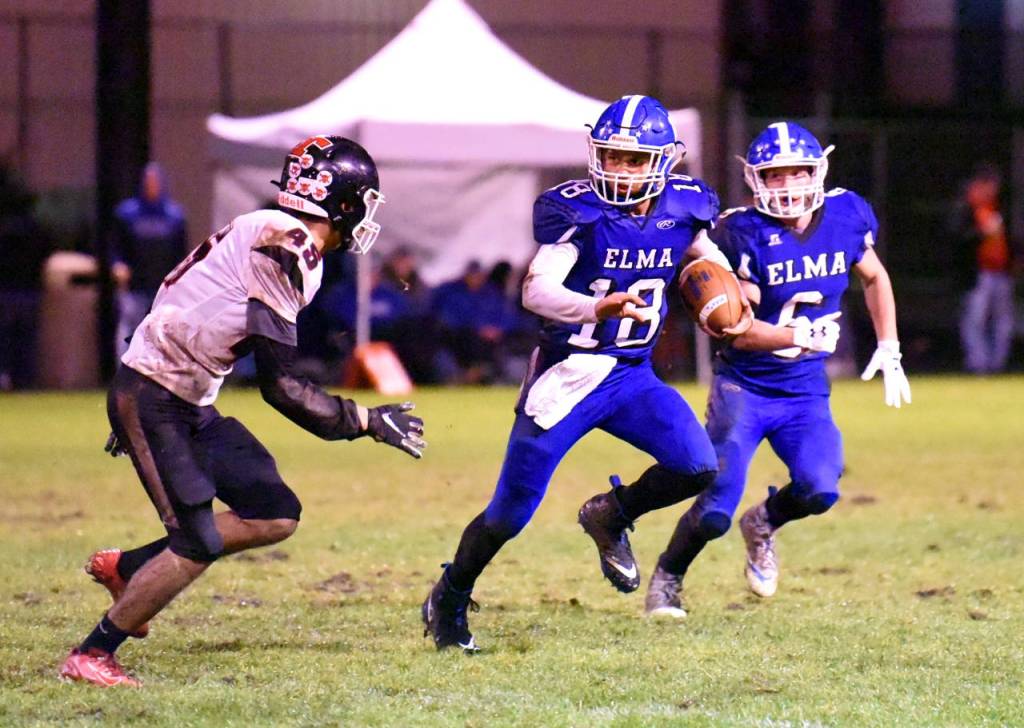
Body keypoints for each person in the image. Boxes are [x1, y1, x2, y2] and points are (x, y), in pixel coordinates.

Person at [59, 136, 426, 687]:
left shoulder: (275, 232)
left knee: (274, 511)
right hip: (159, 396)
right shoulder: (288, 245)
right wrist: (365, 421)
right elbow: (280, 387)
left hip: (186, 395)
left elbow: (182, 297)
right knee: (197, 541)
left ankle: (128, 567)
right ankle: (92, 654)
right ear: (344, 203)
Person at [421, 95, 751, 651]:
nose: (619, 170)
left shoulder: (685, 204)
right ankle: (449, 595)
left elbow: (704, 254)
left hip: (630, 375)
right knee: (509, 514)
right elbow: (536, 289)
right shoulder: (578, 212)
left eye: (632, 159)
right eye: (611, 156)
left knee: (696, 465)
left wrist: (721, 291)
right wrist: (593, 307)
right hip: (567, 375)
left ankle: (611, 514)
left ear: (663, 161)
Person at [643, 121, 911, 618]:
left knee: (820, 487)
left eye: (798, 173)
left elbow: (874, 276)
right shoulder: (739, 231)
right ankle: (669, 576)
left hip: (805, 390)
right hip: (743, 386)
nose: (788, 187)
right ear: (755, 179)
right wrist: (796, 336)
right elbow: (734, 329)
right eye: (776, 175)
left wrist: (889, 344)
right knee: (715, 509)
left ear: (818, 171)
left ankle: (764, 522)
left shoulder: (846, 214)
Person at [112, 162, 189, 359]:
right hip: (135, 286)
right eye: (148, 182)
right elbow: (115, 247)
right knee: (130, 330)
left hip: (163, 287)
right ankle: (125, 372)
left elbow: (182, 252)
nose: (151, 186)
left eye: (155, 182)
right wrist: (118, 265)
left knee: (163, 332)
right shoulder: (127, 214)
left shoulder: (174, 216)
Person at [951, 163, 1017, 374]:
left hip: (1001, 273)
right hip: (978, 274)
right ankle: (977, 364)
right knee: (975, 320)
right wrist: (981, 233)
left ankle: (997, 365)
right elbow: (956, 238)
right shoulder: (965, 207)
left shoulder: (998, 207)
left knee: (1003, 321)